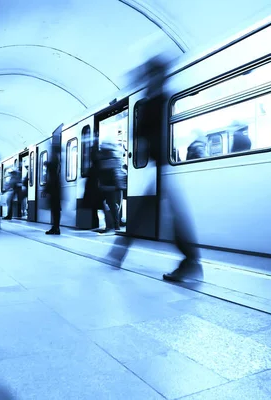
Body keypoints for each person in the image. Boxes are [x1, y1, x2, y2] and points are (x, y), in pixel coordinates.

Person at [106, 55, 203, 282]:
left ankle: (189, 261)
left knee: (163, 215)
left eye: (150, 75)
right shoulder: (158, 99)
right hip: (160, 167)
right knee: (158, 214)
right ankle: (189, 261)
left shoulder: (154, 102)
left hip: (162, 167)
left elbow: (142, 141)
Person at [44, 153, 61, 235]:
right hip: (55, 190)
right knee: (55, 210)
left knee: (55, 210)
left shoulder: (53, 171)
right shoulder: (56, 168)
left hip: (54, 191)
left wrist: (46, 190)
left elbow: (51, 180)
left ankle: (56, 228)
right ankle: (55, 227)